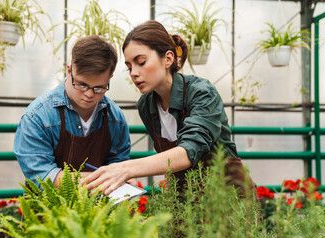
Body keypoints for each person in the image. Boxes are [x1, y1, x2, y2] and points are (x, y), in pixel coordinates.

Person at [83, 20, 257, 198]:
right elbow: (168, 160)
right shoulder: (146, 104)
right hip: (187, 203)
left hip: (229, 202)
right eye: (129, 67)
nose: (134, 73)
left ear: (168, 59)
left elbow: (190, 150)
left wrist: (126, 169)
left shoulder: (202, 93)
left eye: (141, 62)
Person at [14, 35, 132, 187]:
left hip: (98, 209)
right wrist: (107, 178)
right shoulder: (38, 117)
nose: (89, 94)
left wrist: (125, 178)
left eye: (99, 88)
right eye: (82, 85)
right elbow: (42, 176)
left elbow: (119, 164)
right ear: (69, 71)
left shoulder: (115, 117)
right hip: (47, 209)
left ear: (110, 77)